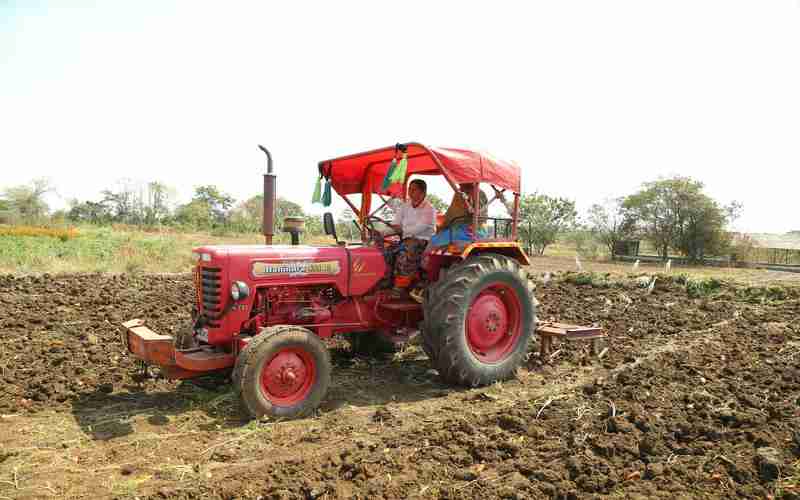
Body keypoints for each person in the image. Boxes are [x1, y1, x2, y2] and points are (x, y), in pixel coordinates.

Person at [388, 179, 436, 296]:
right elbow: (396, 223)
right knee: (387, 251)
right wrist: (381, 232)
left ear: (423, 192)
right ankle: (387, 281)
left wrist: (402, 230)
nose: (410, 192)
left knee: (406, 251)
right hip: (405, 238)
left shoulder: (429, 209)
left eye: (413, 189)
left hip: (424, 240)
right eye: (409, 189)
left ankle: (400, 286)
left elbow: (420, 228)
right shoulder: (405, 206)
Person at [429, 183, 488, 249]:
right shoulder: (459, 193)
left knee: (433, 242)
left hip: (470, 230)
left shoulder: (478, 193)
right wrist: (442, 226)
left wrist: (468, 205)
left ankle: (425, 258)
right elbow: (452, 213)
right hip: (456, 228)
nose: (459, 184)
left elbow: (479, 215)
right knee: (433, 239)